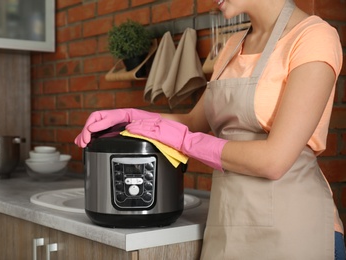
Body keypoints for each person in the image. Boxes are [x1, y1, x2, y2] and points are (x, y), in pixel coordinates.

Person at [75, 0, 345, 258]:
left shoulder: (314, 37)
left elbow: (275, 160)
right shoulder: (231, 46)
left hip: (295, 235)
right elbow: (193, 122)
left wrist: (186, 143)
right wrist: (129, 117)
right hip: (227, 229)